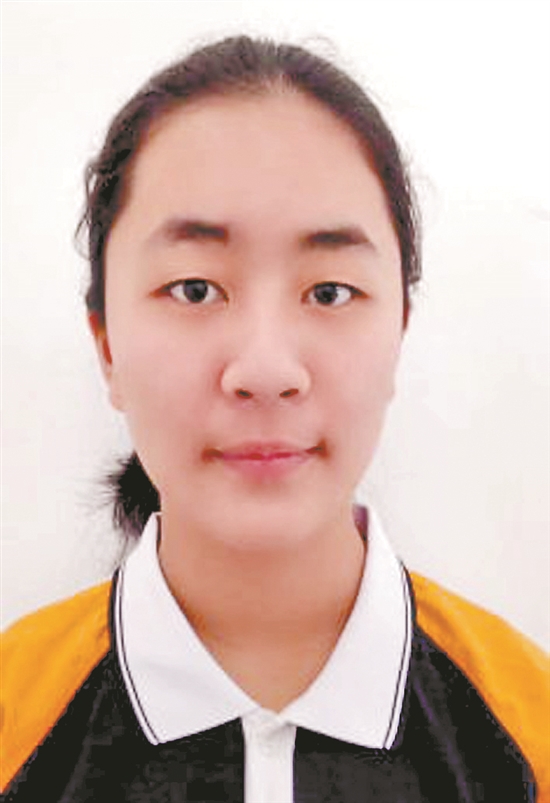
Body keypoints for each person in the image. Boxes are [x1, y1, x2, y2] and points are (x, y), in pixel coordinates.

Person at [1, 35, 548, 803]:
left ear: (399, 332)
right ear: (107, 346)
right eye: (195, 289)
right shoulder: (15, 717)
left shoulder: (529, 728)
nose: (265, 370)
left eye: (329, 292)